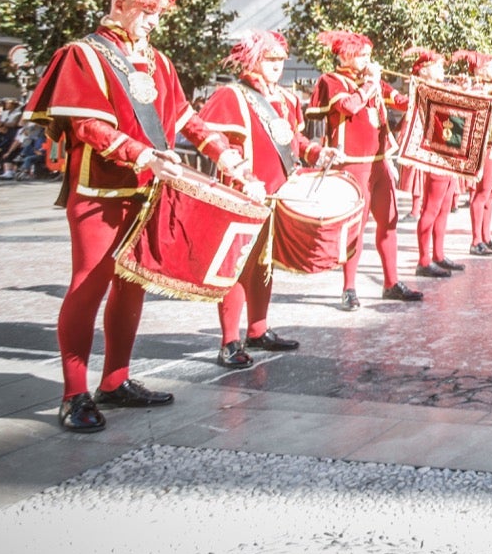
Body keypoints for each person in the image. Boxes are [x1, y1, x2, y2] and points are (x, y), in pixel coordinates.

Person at [23, 0, 262, 433]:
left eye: (158, 12)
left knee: (133, 283)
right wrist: (142, 154)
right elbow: (84, 124)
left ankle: (115, 381)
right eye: (149, 10)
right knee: (89, 284)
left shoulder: (158, 62)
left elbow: (183, 118)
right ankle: (74, 393)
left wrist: (226, 156)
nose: (155, 20)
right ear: (122, 3)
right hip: (99, 190)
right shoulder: (83, 53)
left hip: (148, 189)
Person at [200, 30, 340, 367]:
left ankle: (258, 330)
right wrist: (242, 177)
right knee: (235, 267)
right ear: (252, 59)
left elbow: (294, 142)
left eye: (281, 59)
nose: (279, 65)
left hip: (277, 194)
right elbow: (218, 144)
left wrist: (317, 153)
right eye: (270, 59)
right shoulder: (231, 96)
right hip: (242, 194)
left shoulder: (287, 99)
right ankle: (229, 341)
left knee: (264, 262)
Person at [308, 30, 423, 310]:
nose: (368, 60)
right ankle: (349, 288)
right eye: (362, 55)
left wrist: (419, 90)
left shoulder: (372, 82)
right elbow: (348, 106)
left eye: (369, 55)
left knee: (389, 222)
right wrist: (370, 85)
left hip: (380, 161)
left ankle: (391, 282)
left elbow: (402, 103)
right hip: (352, 164)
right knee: (355, 230)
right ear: (345, 55)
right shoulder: (332, 81)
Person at [404, 48, 467, 280]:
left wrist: (462, 88)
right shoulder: (422, 88)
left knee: (443, 207)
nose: (443, 69)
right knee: (431, 208)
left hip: (448, 152)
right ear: (425, 70)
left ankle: (438, 254)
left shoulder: (438, 88)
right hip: (435, 154)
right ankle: (423, 260)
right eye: (438, 66)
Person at [453, 50, 492, 256]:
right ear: (479, 70)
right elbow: (475, 99)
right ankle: (476, 240)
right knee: (481, 194)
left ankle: (486, 236)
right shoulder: (475, 87)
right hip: (485, 145)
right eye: (491, 67)